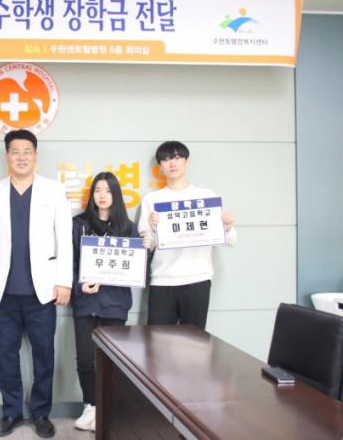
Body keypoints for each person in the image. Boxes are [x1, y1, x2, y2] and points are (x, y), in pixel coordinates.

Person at [0, 129, 72, 439]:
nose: (21, 157)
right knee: (6, 355)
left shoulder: (53, 189)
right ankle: (11, 412)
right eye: (15, 151)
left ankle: (41, 413)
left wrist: (64, 281)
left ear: (35, 155)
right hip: (4, 292)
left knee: (43, 355)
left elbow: (64, 239)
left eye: (27, 151)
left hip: (42, 292)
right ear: (7, 156)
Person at [70, 172, 152, 432]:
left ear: (116, 195)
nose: (102, 195)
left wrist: (145, 249)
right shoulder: (78, 224)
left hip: (115, 303)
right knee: (86, 358)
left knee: (112, 361)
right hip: (85, 303)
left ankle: (108, 409)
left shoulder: (127, 227)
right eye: (97, 190)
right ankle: (91, 405)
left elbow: (136, 269)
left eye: (108, 190)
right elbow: (69, 263)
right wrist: (80, 286)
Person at [138, 141, 237, 330]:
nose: (172, 163)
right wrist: (151, 227)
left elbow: (230, 240)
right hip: (162, 279)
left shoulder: (207, 196)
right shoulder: (152, 199)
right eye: (166, 159)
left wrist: (227, 226)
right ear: (160, 167)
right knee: (157, 341)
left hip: (197, 279)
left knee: (194, 342)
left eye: (177, 157)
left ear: (186, 161)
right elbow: (147, 246)